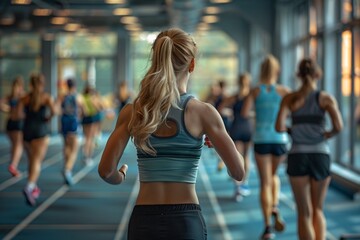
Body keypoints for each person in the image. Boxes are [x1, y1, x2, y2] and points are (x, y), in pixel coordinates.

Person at [98, 28, 245, 240]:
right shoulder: (204, 113)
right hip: (186, 222)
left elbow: (105, 171)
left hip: (144, 222)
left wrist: (119, 176)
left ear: (156, 60)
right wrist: (225, 150)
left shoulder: (134, 111)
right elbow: (238, 173)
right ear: (191, 64)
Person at [275, 58, 343, 240]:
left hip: (298, 155)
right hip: (320, 154)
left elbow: (279, 127)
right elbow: (339, 126)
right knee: (318, 210)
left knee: (304, 212)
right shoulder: (326, 98)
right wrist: (325, 135)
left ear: (298, 75)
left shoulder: (290, 98)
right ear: (317, 75)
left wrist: (293, 130)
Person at [241, 54, 290, 239]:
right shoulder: (284, 91)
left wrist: (259, 116)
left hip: (261, 138)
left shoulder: (255, 91)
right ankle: (275, 205)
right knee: (274, 176)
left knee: (265, 183)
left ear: (261, 71)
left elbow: (245, 113)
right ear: (277, 71)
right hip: (280, 139)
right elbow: (293, 112)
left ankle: (268, 227)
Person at [18, 73, 56, 206]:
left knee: (32, 162)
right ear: (42, 84)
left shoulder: (24, 98)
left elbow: (18, 114)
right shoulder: (46, 97)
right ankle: (29, 187)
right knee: (37, 162)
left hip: (27, 131)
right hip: (40, 132)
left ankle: (33, 187)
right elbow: (54, 111)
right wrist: (48, 118)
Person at [223, 72, 253, 202]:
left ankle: (237, 186)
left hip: (236, 127)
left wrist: (231, 113)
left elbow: (220, 108)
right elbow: (250, 113)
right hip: (247, 127)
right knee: (246, 157)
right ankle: (244, 184)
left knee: (237, 158)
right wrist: (252, 115)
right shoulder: (251, 96)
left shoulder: (234, 97)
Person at [57, 78, 81, 185]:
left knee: (66, 145)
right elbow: (83, 109)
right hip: (73, 121)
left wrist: (63, 112)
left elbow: (57, 108)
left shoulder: (62, 96)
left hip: (64, 121)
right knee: (75, 148)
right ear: (75, 86)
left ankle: (67, 168)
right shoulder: (77, 96)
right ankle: (67, 170)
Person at [0, 76, 25, 177]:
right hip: (18, 123)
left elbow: (1, 104)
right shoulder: (22, 96)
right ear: (21, 86)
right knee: (19, 145)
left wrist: (9, 109)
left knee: (14, 145)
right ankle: (13, 165)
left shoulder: (10, 96)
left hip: (10, 123)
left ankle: (13, 165)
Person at [80, 84, 103, 165]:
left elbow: (81, 110)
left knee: (86, 138)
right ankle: (88, 157)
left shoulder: (82, 98)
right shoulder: (93, 98)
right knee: (90, 139)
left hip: (85, 119)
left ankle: (85, 153)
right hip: (92, 118)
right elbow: (99, 108)